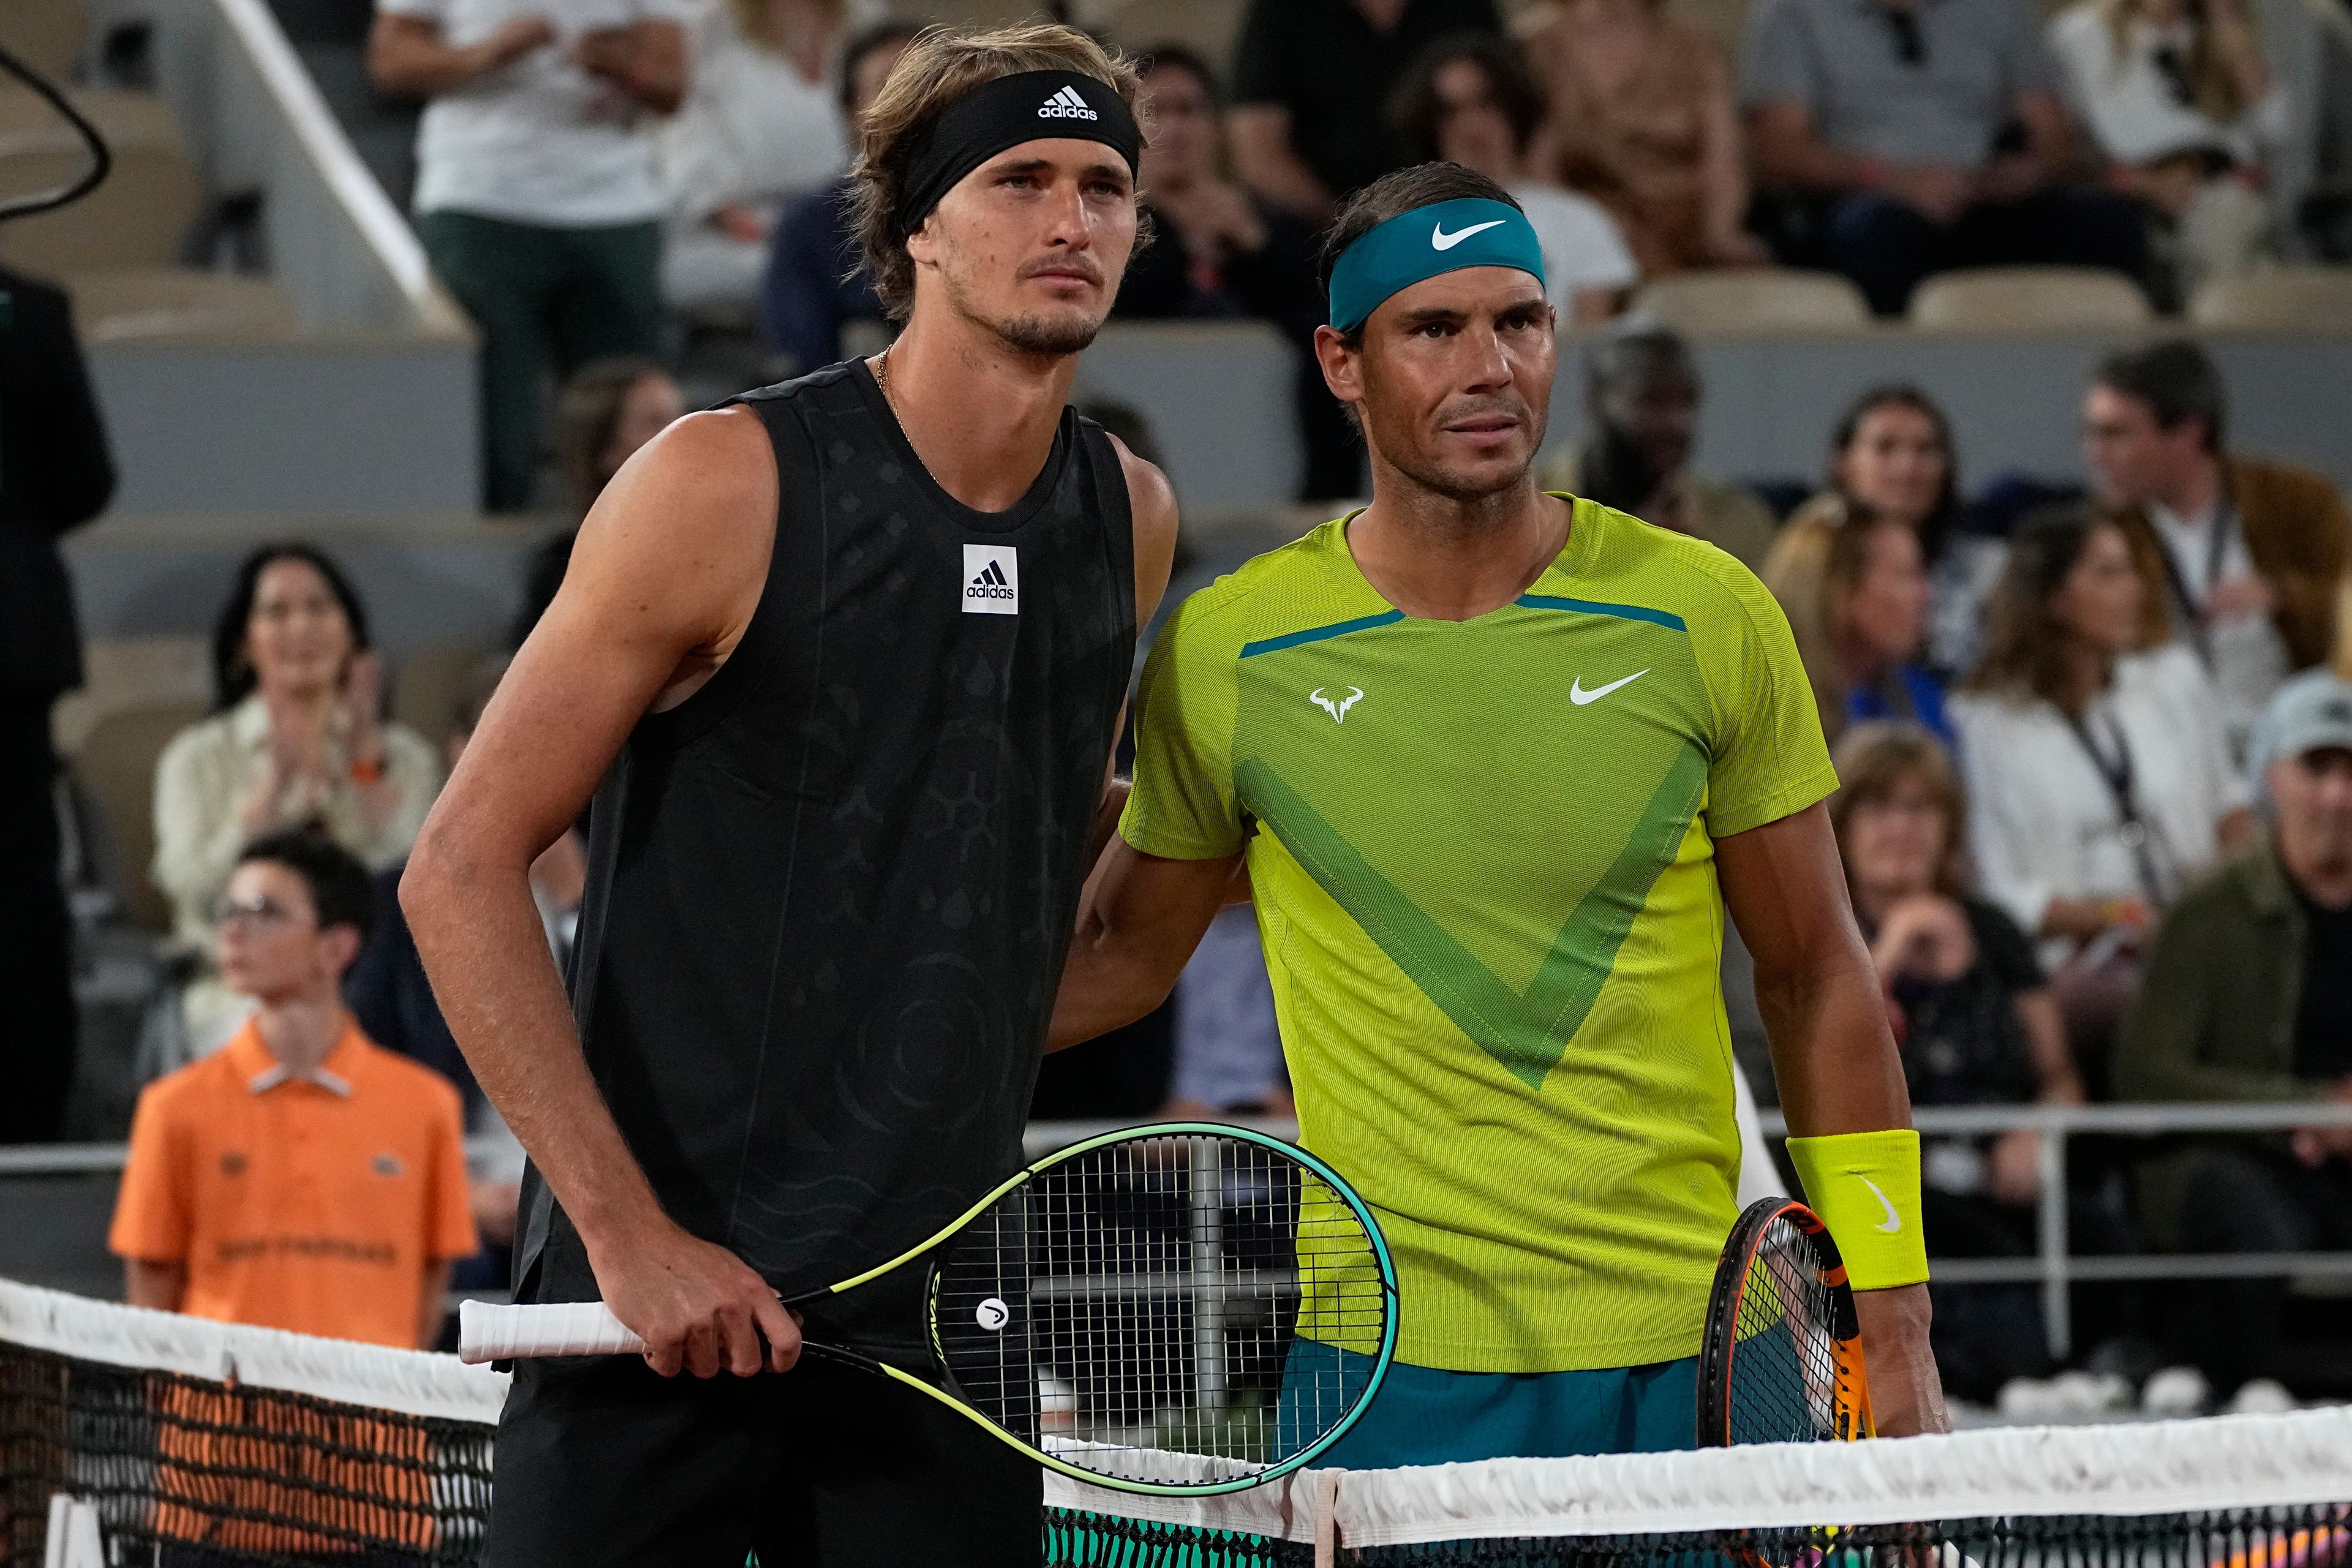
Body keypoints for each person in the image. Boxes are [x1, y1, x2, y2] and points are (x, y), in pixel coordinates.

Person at [398, 24, 1177, 1566]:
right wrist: (630, 1242)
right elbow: (460, 863)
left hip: (935, 1327)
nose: (1071, 219)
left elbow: (1007, 928)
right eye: (1020, 178)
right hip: (656, 1313)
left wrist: (1216, 836)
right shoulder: (719, 481)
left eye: (1105, 185)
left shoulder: (1126, 518)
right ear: (913, 230)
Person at [1052, 162, 1948, 1463]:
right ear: (1342, 363)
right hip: (1388, 1372)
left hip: (1704, 1351)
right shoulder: (1231, 649)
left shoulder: (1708, 611)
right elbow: (1116, 955)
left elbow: (1817, 973)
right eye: (1434, 329)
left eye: (1518, 322)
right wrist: (832, 1060)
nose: (1491, 367)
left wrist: (1899, 1322)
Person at [110, 831, 477, 1349]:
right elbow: (151, 1293)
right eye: (227, 909)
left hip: (375, 1425)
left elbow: (429, 1280)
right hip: (215, 1427)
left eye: (263, 911)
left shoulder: (426, 1107)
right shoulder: (172, 1107)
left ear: (336, 948)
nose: (233, 930)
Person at [2115, 676, 2352, 1398]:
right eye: (2315, 769)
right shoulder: (2208, 914)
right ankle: (2230, 1389)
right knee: (2242, 1206)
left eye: (2350, 770)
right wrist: (2305, 1108)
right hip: (2235, 1157)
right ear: (2271, 780)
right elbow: (2147, 1071)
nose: (2336, 795)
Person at [1830, 722, 2081, 1397]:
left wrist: (2036, 1131)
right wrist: (1889, 952)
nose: (1902, 827)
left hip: (1995, 1171)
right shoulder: (1824, 934)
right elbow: (1826, 1059)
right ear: (1842, 824)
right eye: (1881, 807)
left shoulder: (1994, 930)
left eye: (1921, 807)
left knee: (2096, 1222)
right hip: (1885, 1177)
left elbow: (2058, 1075)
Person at [1948, 510, 2250, 1058]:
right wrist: (2126, 918)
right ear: (2056, 600)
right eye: (2109, 574)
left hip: (2199, 930)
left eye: (2130, 572)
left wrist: (2217, 905)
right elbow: (2003, 890)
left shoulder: (2174, 681)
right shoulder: (1985, 723)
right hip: (2074, 961)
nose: (2135, 590)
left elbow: (2232, 811)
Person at [369, 0, 688, 511]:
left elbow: (673, 84)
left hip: (615, 206)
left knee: (633, 432)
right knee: (493, 435)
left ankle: (639, 568)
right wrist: (487, 53)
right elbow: (391, 61)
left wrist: (621, 63)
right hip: (481, 204)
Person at [154, 545, 442, 1055]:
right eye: (277, 612)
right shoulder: (194, 760)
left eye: (319, 608)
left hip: (384, 982)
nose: (301, 627)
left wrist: (365, 771)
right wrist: (271, 788)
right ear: (244, 645)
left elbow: (419, 891)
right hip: (240, 989)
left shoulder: (404, 756)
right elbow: (193, 896)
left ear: (351, 633)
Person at [1741, 0, 2149, 315]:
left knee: (2110, 227)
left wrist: (2026, 173)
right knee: (1874, 236)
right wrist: (1893, 180)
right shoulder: (1793, 11)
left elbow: (2054, 138)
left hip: (1983, 198)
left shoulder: (1999, 10)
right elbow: (1779, 152)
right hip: (1864, 199)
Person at [2081, 339, 2351, 760]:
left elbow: (2344, 603)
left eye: (2116, 435)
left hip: (2296, 747)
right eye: (2091, 433)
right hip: (2164, 754)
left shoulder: (2299, 502)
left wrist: (2282, 596)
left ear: (2188, 434)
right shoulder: (2099, 531)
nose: (2095, 454)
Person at [1113, 45, 1357, 502]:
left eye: (1189, 110)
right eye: (1154, 110)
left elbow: (1327, 309)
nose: (1175, 127)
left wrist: (1255, 246)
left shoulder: (1272, 225)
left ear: (1216, 125)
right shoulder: (1103, 226)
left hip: (1267, 455)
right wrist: (1178, 242)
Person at [0, 263, 116, 1142]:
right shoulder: (32, 310)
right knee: (20, 883)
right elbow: (82, 481)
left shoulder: (35, 309)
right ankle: (33, 1116)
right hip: (14, 631)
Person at [1387, 36, 1640, 325]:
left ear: (1512, 112)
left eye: (1485, 104)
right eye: (1452, 113)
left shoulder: (1577, 217)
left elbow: (1593, 338)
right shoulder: (1407, 234)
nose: (1472, 126)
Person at [2046, 0, 2288, 299]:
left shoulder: (2218, 34)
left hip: (2227, 186)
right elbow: (2064, 145)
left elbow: (2277, 128)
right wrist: (2143, 184)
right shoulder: (2082, 34)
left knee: (2235, 228)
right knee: (2237, 251)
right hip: (2137, 190)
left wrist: (2230, 29)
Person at [1520, 0, 1770, 273]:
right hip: (1589, 233)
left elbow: (1723, 162)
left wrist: (1721, 231)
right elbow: (1536, 166)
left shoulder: (1693, 48)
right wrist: (1587, 234)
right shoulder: (1538, 49)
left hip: (1690, 233)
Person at [656, 0, 864, 317]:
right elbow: (684, 137)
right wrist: (730, 216)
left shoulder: (864, 18)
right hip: (743, 227)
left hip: (848, 218)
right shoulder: (712, 29)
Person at [1777, 385, 2005, 675]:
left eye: (1926, 450)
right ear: (1843, 463)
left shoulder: (1992, 570)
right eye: (1885, 447)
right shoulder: (1804, 553)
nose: (1907, 468)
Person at [1226, 0, 1503, 222]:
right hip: (1323, 234)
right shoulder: (1282, 12)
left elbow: (1509, 115)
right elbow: (1257, 155)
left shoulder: (1465, 8)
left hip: (1457, 215)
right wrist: (1351, 225)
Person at [1539, 323, 1777, 571]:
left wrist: (1694, 568)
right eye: (1652, 400)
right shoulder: (1529, 508)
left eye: (1687, 401)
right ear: (1598, 401)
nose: (1676, 423)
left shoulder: (1737, 523)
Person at [758, 20, 921, 373]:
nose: (914, 100)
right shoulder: (808, 227)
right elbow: (804, 368)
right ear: (851, 114)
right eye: (888, 84)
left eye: (926, 81)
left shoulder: (1002, 208)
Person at [512, 357, 686, 645]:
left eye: (685, 416)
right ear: (606, 451)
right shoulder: (565, 572)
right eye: (656, 422)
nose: (685, 431)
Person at [1768, 509, 1950, 747]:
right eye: (1905, 576)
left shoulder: (1918, 698)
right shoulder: (1759, 707)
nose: (1927, 596)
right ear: (1841, 591)